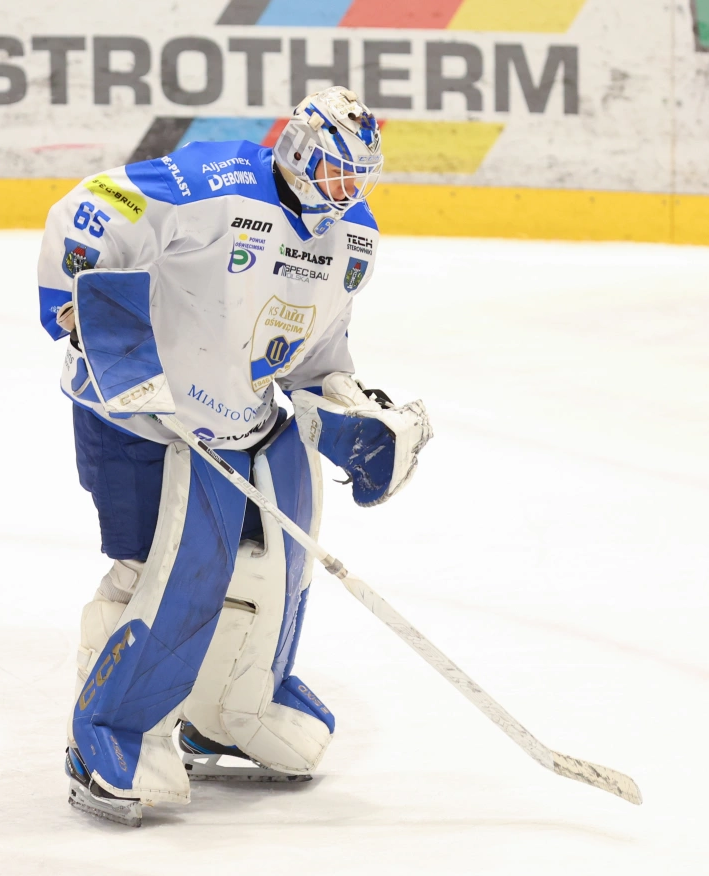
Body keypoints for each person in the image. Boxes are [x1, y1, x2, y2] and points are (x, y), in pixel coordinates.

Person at [34, 86, 432, 826]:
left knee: (266, 566)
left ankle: (227, 711)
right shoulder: (214, 182)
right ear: (300, 151)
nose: (348, 191)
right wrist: (78, 309)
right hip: (141, 414)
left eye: (360, 178)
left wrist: (350, 406)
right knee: (156, 571)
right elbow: (93, 205)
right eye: (338, 171)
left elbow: (315, 350)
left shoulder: (353, 238)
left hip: (241, 420)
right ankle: (109, 730)